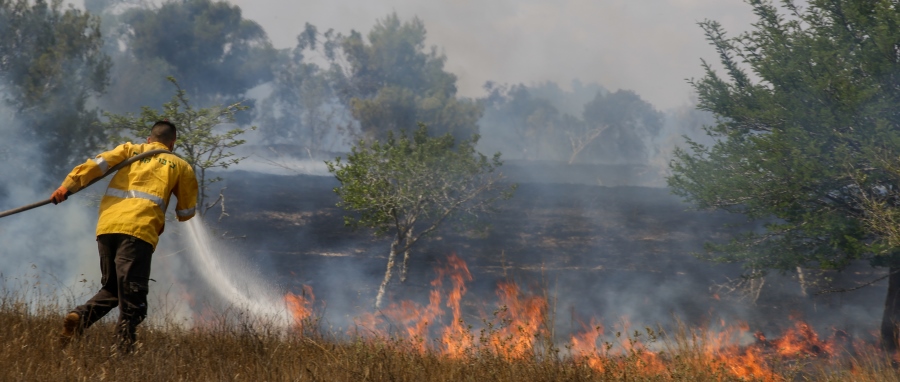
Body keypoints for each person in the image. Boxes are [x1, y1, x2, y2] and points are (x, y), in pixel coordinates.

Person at [53, 120, 198, 352]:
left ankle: (79, 318)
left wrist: (66, 187)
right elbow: (186, 212)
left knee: (112, 289)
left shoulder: (130, 150)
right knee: (134, 303)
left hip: (107, 228)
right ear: (172, 143)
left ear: (149, 140)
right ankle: (122, 355)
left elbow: (96, 165)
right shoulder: (179, 165)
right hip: (138, 232)